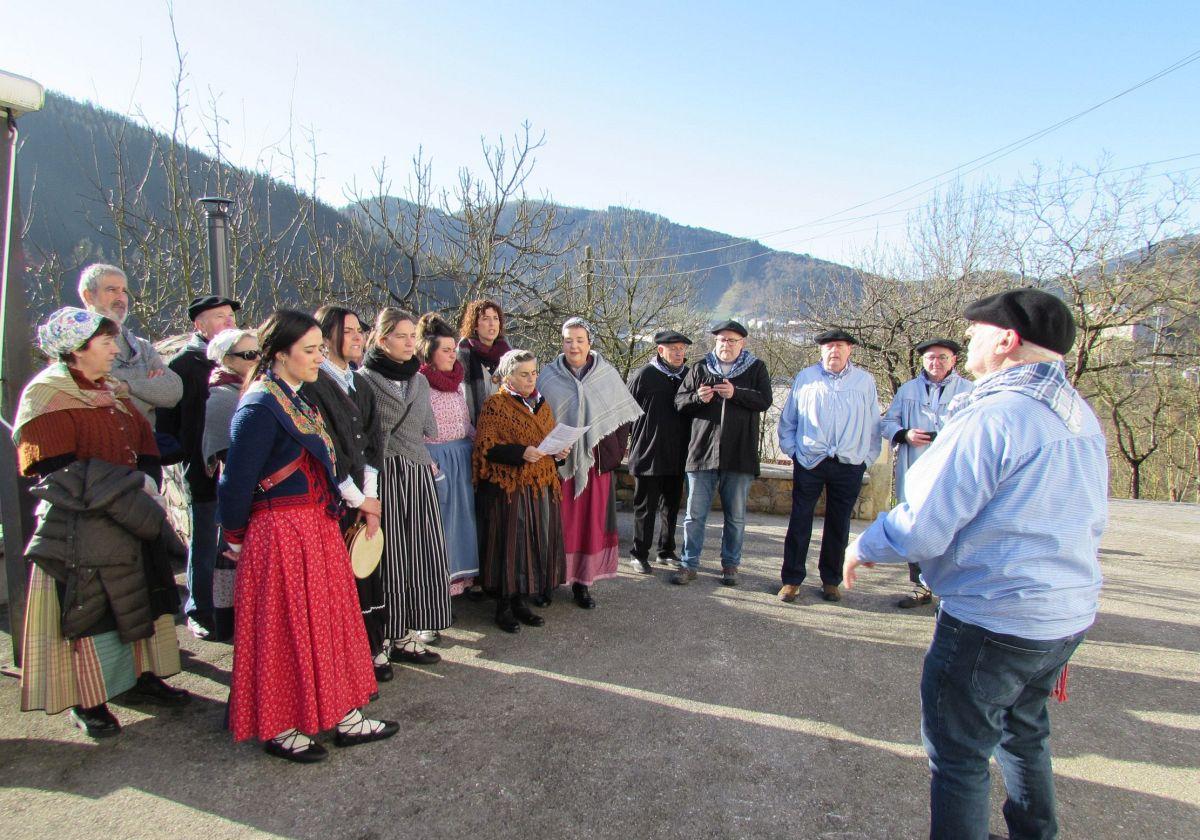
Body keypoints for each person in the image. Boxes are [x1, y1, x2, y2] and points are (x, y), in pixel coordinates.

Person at [844, 288, 1107, 840]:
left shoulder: (997, 414)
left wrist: (865, 545)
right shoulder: (1078, 413)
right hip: (1063, 616)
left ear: (1008, 340)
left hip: (994, 619)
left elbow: (925, 526)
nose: (968, 341)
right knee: (1023, 731)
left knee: (959, 756)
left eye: (976, 333)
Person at [218, 309, 397, 763]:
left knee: (330, 624)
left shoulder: (296, 397)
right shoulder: (260, 405)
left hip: (314, 528)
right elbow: (235, 484)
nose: (320, 357)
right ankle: (282, 725)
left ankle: (343, 713)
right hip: (280, 533)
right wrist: (237, 539)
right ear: (280, 354)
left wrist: (357, 501)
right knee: (287, 629)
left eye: (320, 348)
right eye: (311, 350)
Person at [12, 307, 189, 739]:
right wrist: (126, 487)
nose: (115, 349)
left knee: (144, 594)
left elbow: (143, 444)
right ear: (75, 350)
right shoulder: (49, 395)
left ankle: (142, 676)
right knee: (89, 608)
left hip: (129, 512)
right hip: (82, 522)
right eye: (105, 341)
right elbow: (51, 466)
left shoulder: (110, 389)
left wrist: (145, 480)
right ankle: (87, 698)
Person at [299, 305, 391, 683]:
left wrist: (370, 497)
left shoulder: (361, 383)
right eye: (348, 331)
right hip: (334, 497)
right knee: (341, 584)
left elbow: (372, 442)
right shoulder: (314, 384)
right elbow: (328, 448)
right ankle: (348, 661)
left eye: (359, 330)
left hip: (362, 495)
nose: (358, 337)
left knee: (368, 570)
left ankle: (374, 649)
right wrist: (356, 498)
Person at [360, 308, 451, 665]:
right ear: (382, 340)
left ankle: (408, 633)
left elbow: (430, 427)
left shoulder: (420, 380)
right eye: (402, 336)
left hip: (415, 472)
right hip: (382, 475)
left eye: (413, 335)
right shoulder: (364, 380)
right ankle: (383, 638)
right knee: (388, 556)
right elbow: (366, 435)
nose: (410, 342)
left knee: (419, 553)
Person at [538, 317, 643, 609]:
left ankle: (583, 584)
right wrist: (551, 451)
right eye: (568, 339)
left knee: (589, 525)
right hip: (560, 467)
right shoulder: (547, 376)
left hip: (594, 467)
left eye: (579, 340)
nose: (573, 345)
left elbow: (623, 419)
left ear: (589, 343)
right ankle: (548, 581)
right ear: (562, 342)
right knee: (557, 525)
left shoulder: (606, 375)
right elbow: (538, 420)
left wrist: (610, 455)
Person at [157, 294, 240, 640]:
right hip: (202, 471)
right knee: (204, 543)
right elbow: (167, 422)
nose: (229, 322)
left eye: (231, 317)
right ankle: (200, 610)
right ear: (199, 325)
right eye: (220, 317)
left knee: (230, 547)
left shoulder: (238, 363)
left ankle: (228, 608)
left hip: (235, 471)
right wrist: (189, 451)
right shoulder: (184, 365)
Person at [776, 329, 881, 603]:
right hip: (810, 461)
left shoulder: (864, 382)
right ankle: (791, 580)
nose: (834, 351)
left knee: (839, 524)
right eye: (829, 346)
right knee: (800, 520)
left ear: (850, 351)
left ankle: (831, 580)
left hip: (848, 464)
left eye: (840, 346)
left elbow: (873, 426)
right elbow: (788, 421)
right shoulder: (806, 378)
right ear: (821, 351)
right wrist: (793, 451)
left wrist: (865, 459)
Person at [472, 349, 569, 632]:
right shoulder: (495, 405)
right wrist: (520, 452)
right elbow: (486, 447)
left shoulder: (542, 405)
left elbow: (548, 443)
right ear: (508, 376)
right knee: (509, 545)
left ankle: (521, 602)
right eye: (524, 374)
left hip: (539, 485)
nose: (531, 379)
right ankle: (503, 605)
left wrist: (560, 453)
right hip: (509, 488)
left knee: (533, 544)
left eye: (534, 373)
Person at [671, 320, 772, 587]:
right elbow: (679, 402)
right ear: (714, 342)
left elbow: (765, 400)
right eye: (721, 340)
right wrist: (697, 398)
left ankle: (730, 565)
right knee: (694, 516)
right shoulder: (700, 368)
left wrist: (736, 393)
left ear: (743, 343)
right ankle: (688, 564)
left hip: (739, 456)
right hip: (702, 454)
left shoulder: (756, 368)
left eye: (732, 340)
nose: (726, 344)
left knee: (736, 517)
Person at [880, 337, 973, 609]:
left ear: (954, 360)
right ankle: (920, 587)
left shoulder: (969, 391)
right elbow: (887, 422)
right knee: (914, 526)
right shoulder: (908, 390)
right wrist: (905, 433)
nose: (936, 362)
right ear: (922, 360)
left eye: (943, 357)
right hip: (915, 465)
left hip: (952, 469)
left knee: (953, 527)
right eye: (931, 357)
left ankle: (951, 588)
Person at [200, 327, 261, 641]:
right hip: (242, 491)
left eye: (258, 352)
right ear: (226, 359)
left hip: (257, 489)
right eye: (248, 355)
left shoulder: (250, 388)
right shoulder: (222, 396)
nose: (256, 359)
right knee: (236, 559)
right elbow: (227, 454)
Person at [418, 314, 480, 602]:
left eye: (453, 349)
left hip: (462, 458)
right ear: (429, 352)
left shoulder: (457, 382)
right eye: (445, 350)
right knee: (440, 528)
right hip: (437, 463)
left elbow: (463, 423)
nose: (452, 354)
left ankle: (462, 584)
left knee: (464, 524)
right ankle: (436, 593)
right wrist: (431, 468)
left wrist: (482, 440)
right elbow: (412, 431)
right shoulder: (418, 383)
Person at [625, 329, 693, 574]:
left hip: (678, 453)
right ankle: (639, 554)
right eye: (673, 348)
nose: (678, 352)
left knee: (671, 506)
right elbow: (627, 413)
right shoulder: (644, 375)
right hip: (649, 453)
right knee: (645, 507)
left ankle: (666, 550)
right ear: (660, 350)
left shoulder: (688, 375)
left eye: (682, 348)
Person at [457, 298, 512, 424]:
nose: (492, 323)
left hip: (506, 425)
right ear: (475, 325)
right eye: (485, 319)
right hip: (474, 427)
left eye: (495, 318)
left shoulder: (507, 353)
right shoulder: (463, 353)